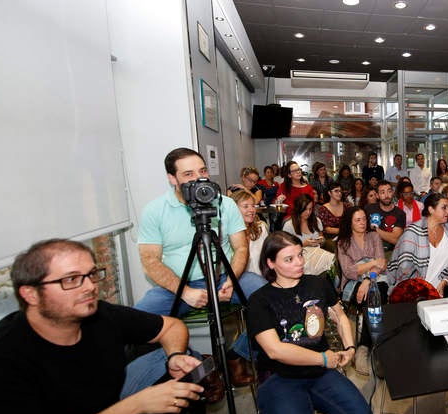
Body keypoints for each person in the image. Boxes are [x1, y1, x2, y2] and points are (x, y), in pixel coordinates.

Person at [0, 239, 233, 414]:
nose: (89, 287)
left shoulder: (98, 314)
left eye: (92, 274)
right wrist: (134, 406)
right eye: (71, 279)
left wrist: (175, 356)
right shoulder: (2, 357)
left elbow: (170, 327)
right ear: (30, 294)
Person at [135, 148, 265, 386]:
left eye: (203, 171)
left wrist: (231, 281)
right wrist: (185, 292)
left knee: (272, 301)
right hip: (176, 285)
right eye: (188, 174)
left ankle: (238, 354)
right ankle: (196, 365)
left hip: (224, 276)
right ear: (172, 178)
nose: (199, 179)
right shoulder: (155, 210)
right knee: (138, 324)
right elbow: (150, 260)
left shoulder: (225, 204)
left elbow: (240, 248)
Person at [248, 232, 373, 414]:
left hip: (319, 373)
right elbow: (275, 350)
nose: (299, 263)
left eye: (300, 255)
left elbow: (339, 316)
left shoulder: (317, 283)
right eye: (289, 259)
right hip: (280, 380)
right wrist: (324, 358)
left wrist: (350, 347)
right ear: (271, 263)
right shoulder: (259, 301)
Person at [388, 193, 448, 297]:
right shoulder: (412, 233)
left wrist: (445, 280)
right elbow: (405, 269)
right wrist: (426, 290)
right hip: (414, 293)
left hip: (444, 290)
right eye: (444, 208)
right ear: (431, 210)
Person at [336, 206, 387, 376]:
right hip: (352, 283)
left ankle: (369, 347)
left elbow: (382, 263)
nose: (362, 222)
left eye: (364, 218)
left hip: (375, 279)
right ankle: (369, 348)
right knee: (374, 296)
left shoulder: (374, 236)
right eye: (358, 220)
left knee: (377, 292)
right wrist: (371, 263)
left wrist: (367, 279)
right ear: (349, 222)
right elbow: (349, 271)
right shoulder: (343, 242)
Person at [281, 194, 335, 276]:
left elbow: (322, 238)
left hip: (317, 255)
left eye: (310, 209)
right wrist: (304, 244)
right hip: (301, 260)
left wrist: (322, 240)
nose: (308, 212)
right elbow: (286, 250)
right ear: (299, 209)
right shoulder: (289, 225)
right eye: (305, 209)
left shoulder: (316, 221)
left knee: (333, 261)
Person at [231, 190, 269, 276]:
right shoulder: (226, 234)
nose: (252, 210)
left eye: (253, 206)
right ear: (233, 209)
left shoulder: (261, 228)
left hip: (262, 279)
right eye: (245, 206)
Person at [365, 180, 406, 256]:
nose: (386, 195)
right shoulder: (369, 209)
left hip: (391, 253)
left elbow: (395, 239)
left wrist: (375, 229)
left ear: (393, 193)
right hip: (370, 251)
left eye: (389, 191)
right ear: (377, 195)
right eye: (382, 192)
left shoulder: (400, 213)